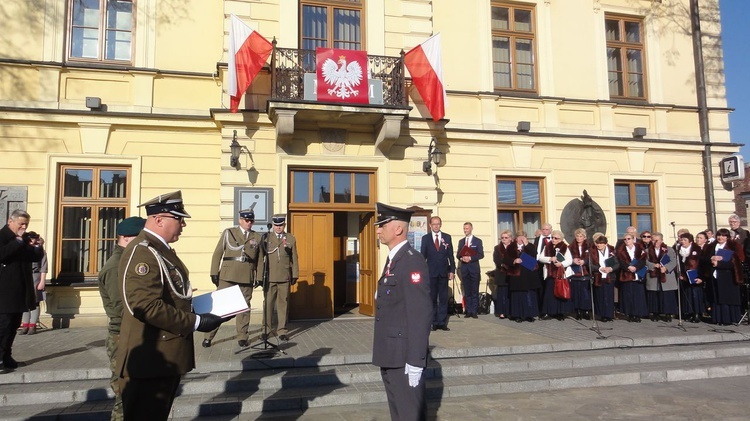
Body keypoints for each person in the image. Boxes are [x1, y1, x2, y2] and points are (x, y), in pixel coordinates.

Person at [116, 191, 230, 420]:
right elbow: (145, 306)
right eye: (179, 219)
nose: (183, 224)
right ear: (159, 220)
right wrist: (197, 322)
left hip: (162, 358)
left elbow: (172, 295)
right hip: (150, 360)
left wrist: (206, 310)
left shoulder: (158, 249)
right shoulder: (143, 253)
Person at [372, 203, 431, 420]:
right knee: (398, 413)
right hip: (391, 353)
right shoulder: (393, 259)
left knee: (409, 414)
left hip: (404, 356)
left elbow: (420, 313)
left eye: (382, 225)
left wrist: (416, 360)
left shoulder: (411, 260)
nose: (378, 230)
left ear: (397, 229)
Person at [97, 216, 146, 421]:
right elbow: (122, 309)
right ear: (126, 238)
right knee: (125, 397)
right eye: (141, 238)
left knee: (136, 396)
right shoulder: (117, 266)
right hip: (123, 337)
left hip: (132, 335)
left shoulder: (128, 261)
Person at [203, 209, 262, 348]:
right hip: (228, 275)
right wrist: (214, 272)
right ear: (240, 220)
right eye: (246, 220)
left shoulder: (257, 237)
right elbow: (218, 252)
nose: (249, 223)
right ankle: (208, 336)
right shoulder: (229, 233)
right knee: (220, 307)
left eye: (251, 221)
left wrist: (258, 276)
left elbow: (260, 260)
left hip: (247, 275)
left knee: (244, 308)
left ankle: (242, 336)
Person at [0, 210, 44, 371]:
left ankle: (6, 356)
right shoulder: (3, 237)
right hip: (4, 291)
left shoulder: (22, 239)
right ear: (10, 221)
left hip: (20, 290)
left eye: (26, 224)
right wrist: (18, 242)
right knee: (3, 326)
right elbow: (2, 255)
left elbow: (33, 257)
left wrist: (38, 247)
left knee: (13, 326)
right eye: (21, 224)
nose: (24, 227)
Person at [258, 214, 299, 342]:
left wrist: (295, 274)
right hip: (270, 276)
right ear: (273, 225)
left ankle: (282, 330)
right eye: (276, 225)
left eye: (280, 225)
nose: (278, 227)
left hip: (284, 276)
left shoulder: (290, 238)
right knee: (268, 304)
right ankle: (266, 330)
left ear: (284, 225)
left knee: (283, 304)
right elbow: (260, 258)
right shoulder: (266, 238)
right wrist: (259, 276)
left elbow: (295, 258)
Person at [700, 228, 743, 325]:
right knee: (716, 297)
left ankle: (728, 319)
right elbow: (703, 259)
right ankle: (718, 318)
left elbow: (736, 263)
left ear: (727, 237)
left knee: (726, 298)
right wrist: (711, 259)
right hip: (714, 275)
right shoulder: (711, 246)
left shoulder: (732, 246)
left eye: (723, 236)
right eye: (719, 235)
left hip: (727, 275)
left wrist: (720, 263)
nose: (720, 237)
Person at [420, 216, 455, 331]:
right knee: (432, 298)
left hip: (444, 272)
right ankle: (433, 322)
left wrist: (452, 271)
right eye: (434, 224)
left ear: (441, 224)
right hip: (431, 273)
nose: (436, 226)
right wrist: (422, 272)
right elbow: (423, 256)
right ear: (430, 225)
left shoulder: (447, 237)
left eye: (438, 224)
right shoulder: (425, 238)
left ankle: (442, 322)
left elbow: (450, 256)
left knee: (443, 298)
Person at [537, 229, 573, 320]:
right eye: (552, 237)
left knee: (559, 293)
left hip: (560, 273)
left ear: (561, 239)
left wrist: (561, 264)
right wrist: (550, 259)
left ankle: (559, 313)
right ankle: (548, 312)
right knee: (549, 293)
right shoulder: (547, 246)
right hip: (550, 273)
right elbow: (541, 258)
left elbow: (569, 260)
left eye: (556, 238)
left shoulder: (565, 247)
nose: (553, 240)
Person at [507, 230, 541, 322]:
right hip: (516, 275)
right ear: (515, 238)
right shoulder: (511, 247)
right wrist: (514, 261)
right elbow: (506, 259)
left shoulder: (530, 246)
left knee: (529, 295)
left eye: (523, 237)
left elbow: (534, 255)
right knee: (518, 296)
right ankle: (517, 315)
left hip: (528, 276)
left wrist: (526, 244)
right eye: (519, 237)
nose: (520, 239)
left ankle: (529, 314)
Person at [645, 232, 678, 322]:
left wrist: (666, 268)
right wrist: (652, 265)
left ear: (661, 240)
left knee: (667, 295)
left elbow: (674, 260)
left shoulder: (669, 249)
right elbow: (645, 261)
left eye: (657, 240)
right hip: (654, 275)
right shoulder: (647, 251)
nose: (655, 242)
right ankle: (655, 313)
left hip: (666, 276)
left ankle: (668, 314)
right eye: (653, 240)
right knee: (654, 295)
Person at [616, 232, 648, 322]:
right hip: (626, 275)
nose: (627, 241)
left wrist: (636, 267)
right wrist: (628, 267)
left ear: (633, 239)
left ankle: (637, 314)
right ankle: (630, 314)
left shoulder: (639, 249)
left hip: (638, 275)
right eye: (625, 239)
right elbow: (620, 261)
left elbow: (643, 260)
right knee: (628, 295)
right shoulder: (620, 250)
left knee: (638, 296)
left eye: (628, 239)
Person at [20, 231, 47, 335]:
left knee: (35, 301)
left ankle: (33, 325)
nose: (32, 241)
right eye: (30, 239)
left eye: (34, 238)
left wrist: (42, 281)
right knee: (24, 301)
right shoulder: (24, 250)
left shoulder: (40, 251)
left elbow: (44, 267)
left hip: (36, 276)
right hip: (25, 276)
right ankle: (25, 325)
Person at [456, 222, 484, 318]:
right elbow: (458, 254)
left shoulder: (477, 241)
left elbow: (481, 254)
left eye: (467, 228)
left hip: (474, 268)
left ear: (471, 229)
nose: (465, 230)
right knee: (467, 291)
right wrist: (461, 258)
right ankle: (468, 310)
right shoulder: (461, 241)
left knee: (474, 291)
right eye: (464, 228)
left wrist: (470, 258)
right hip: (465, 269)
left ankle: (474, 311)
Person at [677, 232, 704, 323]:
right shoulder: (678, 250)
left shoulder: (697, 250)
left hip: (695, 276)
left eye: (685, 240)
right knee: (687, 295)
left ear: (690, 241)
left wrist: (701, 277)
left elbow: (701, 264)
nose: (683, 242)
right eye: (682, 240)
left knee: (695, 295)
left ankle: (697, 313)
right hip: (684, 277)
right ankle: (689, 312)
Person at [591, 235, 619, 322]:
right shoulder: (593, 252)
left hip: (609, 276)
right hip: (598, 276)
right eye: (597, 243)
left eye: (601, 243)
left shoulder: (612, 252)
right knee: (600, 296)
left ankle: (609, 315)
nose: (599, 245)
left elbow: (617, 264)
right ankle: (602, 315)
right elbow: (590, 264)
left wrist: (610, 269)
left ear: (605, 244)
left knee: (609, 296)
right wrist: (599, 269)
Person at [569, 228, 592, 320]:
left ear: (584, 237)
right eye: (577, 236)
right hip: (575, 273)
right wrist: (573, 260)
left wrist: (585, 261)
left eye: (581, 236)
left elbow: (593, 258)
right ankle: (577, 311)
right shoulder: (571, 247)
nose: (579, 238)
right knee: (576, 293)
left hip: (585, 272)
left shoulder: (589, 246)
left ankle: (586, 311)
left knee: (585, 293)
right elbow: (567, 258)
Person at [492, 230, 513, 319]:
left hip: (512, 273)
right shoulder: (497, 248)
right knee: (501, 293)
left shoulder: (514, 247)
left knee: (510, 293)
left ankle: (510, 311)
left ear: (510, 239)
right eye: (502, 238)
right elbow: (496, 259)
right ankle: (501, 312)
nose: (504, 239)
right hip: (501, 272)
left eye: (506, 238)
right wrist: (504, 264)